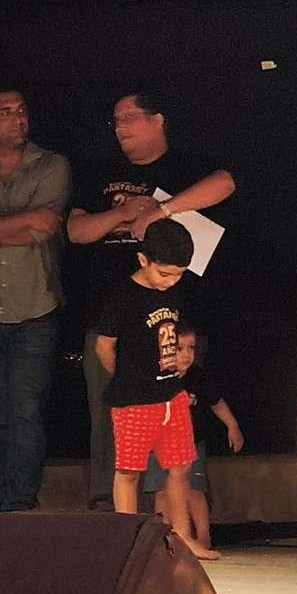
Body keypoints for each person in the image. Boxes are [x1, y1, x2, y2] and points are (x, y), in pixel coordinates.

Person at [68, 87, 235, 512]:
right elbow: (77, 231)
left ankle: (176, 513)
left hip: (174, 318)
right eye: (116, 121)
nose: (120, 128)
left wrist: (161, 211)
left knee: (177, 409)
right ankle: (113, 511)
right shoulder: (102, 170)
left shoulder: (185, 165)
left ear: (157, 120)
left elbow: (224, 183)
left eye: (129, 118)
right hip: (112, 316)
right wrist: (123, 213)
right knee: (112, 411)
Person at [95, 219, 218, 560]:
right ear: (143, 260)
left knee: (180, 468)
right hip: (134, 400)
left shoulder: (174, 291)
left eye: (179, 275)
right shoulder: (122, 296)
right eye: (164, 274)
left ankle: (182, 537)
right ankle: (128, 543)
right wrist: (126, 377)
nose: (171, 281)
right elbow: (104, 346)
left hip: (171, 395)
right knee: (129, 471)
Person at [0, 84, 70, 511]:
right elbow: (30, 225)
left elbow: (45, 228)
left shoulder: (51, 165)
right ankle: (14, 499)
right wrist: (23, 220)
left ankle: (18, 507)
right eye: (6, 111)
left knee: (26, 413)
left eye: (22, 110)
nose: (18, 118)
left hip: (35, 306)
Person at [143, 322, 244, 553]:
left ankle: (204, 539)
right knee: (162, 492)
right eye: (179, 349)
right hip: (159, 445)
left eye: (191, 348)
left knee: (195, 491)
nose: (186, 355)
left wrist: (232, 426)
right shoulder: (158, 377)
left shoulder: (198, 377)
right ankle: (165, 540)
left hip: (192, 443)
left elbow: (216, 403)